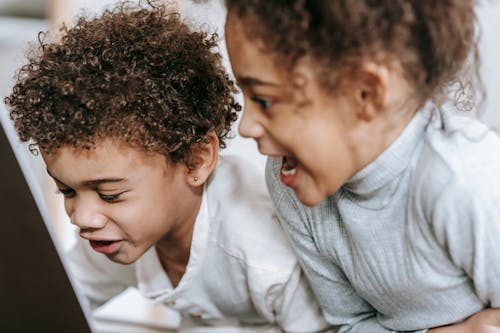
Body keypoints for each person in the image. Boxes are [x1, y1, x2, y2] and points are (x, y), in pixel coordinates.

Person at [4, 2, 331, 332]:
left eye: (111, 194)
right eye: (67, 190)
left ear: (195, 160)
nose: (83, 218)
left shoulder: (265, 256)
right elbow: (59, 300)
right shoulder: (117, 235)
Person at [224, 1, 500, 332]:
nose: (246, 126)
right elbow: (350, 325)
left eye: (265, 100)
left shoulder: (465, 179)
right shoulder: (291, 183)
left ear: (366, 93)